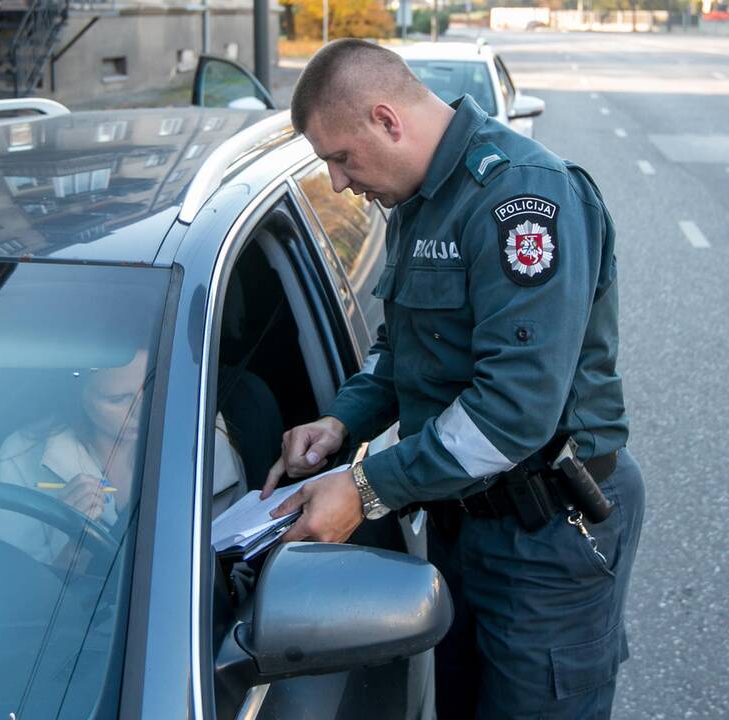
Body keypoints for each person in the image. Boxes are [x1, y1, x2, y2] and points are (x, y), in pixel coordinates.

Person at [261, 39, 644, 719]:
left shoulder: (524, 196)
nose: (340, 184)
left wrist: (365, 487)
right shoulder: (417, 197)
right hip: (460, 521)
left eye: (340, 158)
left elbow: (512, 412)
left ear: (387, 119)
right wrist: (343, 421)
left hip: (547, 533)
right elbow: (399, 346)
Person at [0, 348, 246, 567]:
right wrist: (75, 544)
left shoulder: (202, 438)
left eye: (154, 389)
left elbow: (238, 562)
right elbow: (15, 597)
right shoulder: (22, 458)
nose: (141, 412)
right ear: (78, 394)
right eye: (118, 399)